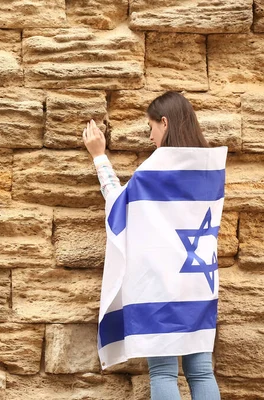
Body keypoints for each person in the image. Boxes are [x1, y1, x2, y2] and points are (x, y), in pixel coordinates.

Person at [82, 91, 222, 400]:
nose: (150, 136)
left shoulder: (155, 169)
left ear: (165, 122)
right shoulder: (210, 168)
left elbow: (119, 203)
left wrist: (99, 156)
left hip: (161, 286)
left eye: (151, 128)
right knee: (201, 371)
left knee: (163, 372)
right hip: (199, 282)